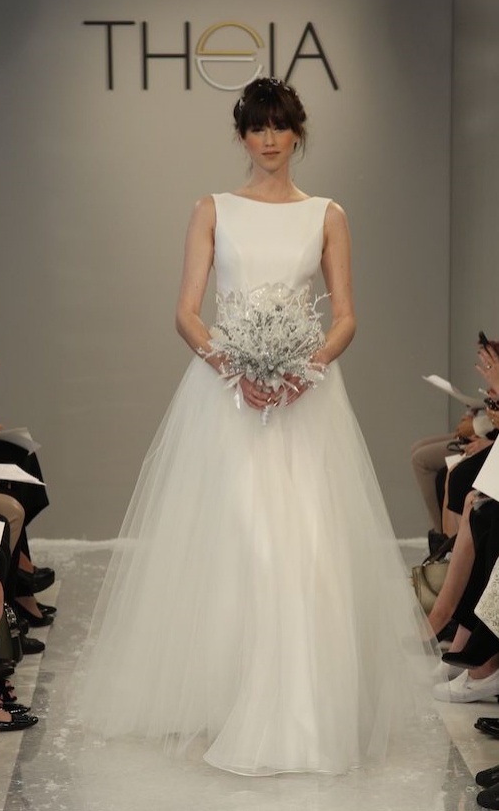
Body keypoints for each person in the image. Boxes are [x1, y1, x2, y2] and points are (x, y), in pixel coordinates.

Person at [78, 78, 444, 778]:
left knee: (304, 548)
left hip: (308, 402)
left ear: (298, 132)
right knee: (240, 543)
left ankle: (300, 705)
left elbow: (346, 315)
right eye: (256, 127)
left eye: (279, 126)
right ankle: (229, 693)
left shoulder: (327, 214)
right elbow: (187, 312)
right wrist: (233, 365)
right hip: (227, 402)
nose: (268, 139)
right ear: (242, 135)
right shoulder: (212, 209)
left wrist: (307, 367)